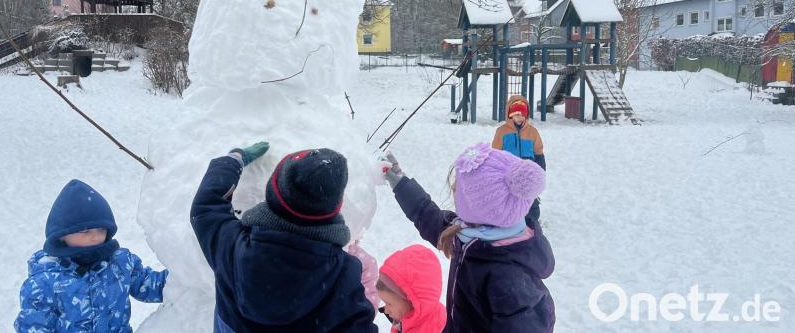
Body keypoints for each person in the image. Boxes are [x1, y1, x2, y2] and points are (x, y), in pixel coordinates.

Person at [190, 142, 378, 332]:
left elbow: (206, 207)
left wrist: (234, 159)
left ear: (272, 192)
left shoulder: (233, 245)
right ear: (334, 209)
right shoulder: (343, 274)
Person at [381, 144, 555, 332]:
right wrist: (401, 183)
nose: (454, 192)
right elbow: (428, 217)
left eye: (457, 190)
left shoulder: (508, 279)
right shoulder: (472, 234)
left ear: (480, 208)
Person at [15, 180, 168, 331]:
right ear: (61, 235)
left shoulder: (120, 263)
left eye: (101, 230)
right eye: (85, 231)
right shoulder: (44, 282)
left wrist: (185, 276)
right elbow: (34, 326)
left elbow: (152, 285)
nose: (95, 237)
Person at [492, 94, 546, 220]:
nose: (520, 117)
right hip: (508, 171)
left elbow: (538, 152)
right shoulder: (502, 131)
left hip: (528, 172)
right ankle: (511, 219)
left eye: (522, 115)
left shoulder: (532, 131)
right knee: (510, 197)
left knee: (529, 198)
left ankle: (532, 220)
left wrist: (541, 170)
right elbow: (495, 153)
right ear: (511, 115)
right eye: (517, 114)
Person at [376, 244, 446, 333]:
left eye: (389, 304)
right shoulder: (411, 320)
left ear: (412, 301)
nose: (386, 310)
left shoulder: (432, 329)